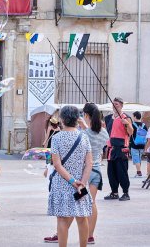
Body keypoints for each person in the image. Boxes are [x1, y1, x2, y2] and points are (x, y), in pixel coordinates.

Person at [48, 106, 92, 247]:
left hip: (62, 183)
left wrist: (72, 181)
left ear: (61, 119)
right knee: (82, 217)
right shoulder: (84, 136)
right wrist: (82, 183)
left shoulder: (56, 138)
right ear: (76, 119)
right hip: (81, 183)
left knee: (62, 218)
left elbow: (57, 164)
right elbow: (89, 163)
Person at [79, 102, 109, 245]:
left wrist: (83, 127)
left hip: (84, 172)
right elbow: (96, 136)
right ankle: (90, 235)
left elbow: (84, 141)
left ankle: (61, 231)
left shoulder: (83, 134)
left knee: (78, 202)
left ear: (86, 115)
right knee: (92, 203)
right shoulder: (104, 132)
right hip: (97, 171)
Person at [104, 97, 133, 201]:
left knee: (122, 172)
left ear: (121, 105)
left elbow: (131, 132)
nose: (114, 105)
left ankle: (126, 193)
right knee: (111, 172)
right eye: (113, 104)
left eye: (116, 104)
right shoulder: (107, 118)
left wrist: (127, 124)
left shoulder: (126, 117)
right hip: (111, 148)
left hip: (121, 148)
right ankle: (114, 192)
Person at [130, 111, 148, 178]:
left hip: (134, 144)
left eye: (133, 116)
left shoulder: (132, 125)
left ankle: (139, 173)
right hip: (142, 144)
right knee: (139, 159)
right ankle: (139, 171)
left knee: (136, 159)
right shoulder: (144, 125)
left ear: (135, 117)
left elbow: (129, 134)